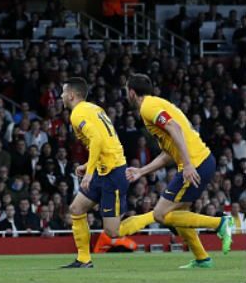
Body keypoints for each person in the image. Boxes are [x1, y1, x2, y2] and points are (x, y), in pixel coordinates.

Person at [112, 73, 233, 269]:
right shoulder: (156, 104)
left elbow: (174, 128)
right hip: (199, 160)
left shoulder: (148, 107)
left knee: (161, 214)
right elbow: (169, 152)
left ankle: (220, 223)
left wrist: (187, 164)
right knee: (179, 214)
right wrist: (142, 171)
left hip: (195, 162)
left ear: (132, 92)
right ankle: (202, 258)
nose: (126, 95)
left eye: (127, 91)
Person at [60, 77, 130, 269]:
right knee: (76, 209)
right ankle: (84, 260)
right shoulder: (94, 108)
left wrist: (89, 173)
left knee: (112, 231)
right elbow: (104, 140)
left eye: (64, 92)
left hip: (113, 172)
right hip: (103, 168)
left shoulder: (77, 114)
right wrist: (89, 165)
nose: (61, 96)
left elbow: (98, 140)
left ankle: (158, 215)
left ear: (72, 95)